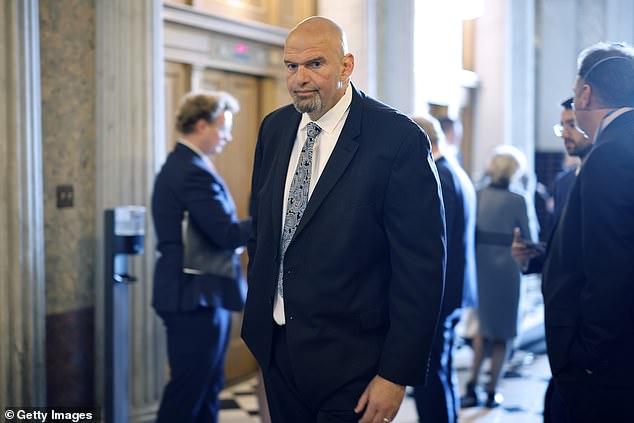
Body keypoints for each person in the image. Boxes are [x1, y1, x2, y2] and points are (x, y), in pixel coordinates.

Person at [242, 16, 446, 423]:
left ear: (346, 66)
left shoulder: (397, 138)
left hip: (356, 363)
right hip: (279, 351)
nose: (300, 78)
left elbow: (420, 270)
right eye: (291, 66)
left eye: (315, 64)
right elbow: (262, 230)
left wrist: (394, 374)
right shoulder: (275, 128)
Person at [542, 42, 634, 422]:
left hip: (606, 368)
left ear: (585, 92)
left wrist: (587, 360)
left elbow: (610, 269)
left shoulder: (610, 153)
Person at [151, 91, 251, 423]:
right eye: (223, 128)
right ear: (200, 124)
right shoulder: (189, 170)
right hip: (193, 297)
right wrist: (277, 216)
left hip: (203, 294)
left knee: (208, 386)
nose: (228, 136)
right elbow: (225, 234)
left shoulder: (189, 165)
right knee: (188, 393)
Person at [511, 96, 594, 423]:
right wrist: (532, 256)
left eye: (572, 124)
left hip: (589, 325)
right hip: (559, 322)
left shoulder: (609, 179)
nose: (566, 133)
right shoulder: (562, 183)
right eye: (563, 125)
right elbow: (563, 250)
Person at [411, 115, 476, 423]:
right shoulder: (454, 170)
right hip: (453, 290)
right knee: (441, 371)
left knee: (432, 374)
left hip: (440, 294)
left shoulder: (442, 176)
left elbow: (438, 244)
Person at [461, 145, 537, 409]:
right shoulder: (519, 199)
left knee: (482, 328)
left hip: (480, 264)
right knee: (504, 332)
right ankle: (492, 389)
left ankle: (471, 384)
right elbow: (530, 238)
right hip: (508, 267)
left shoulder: (478, 193)